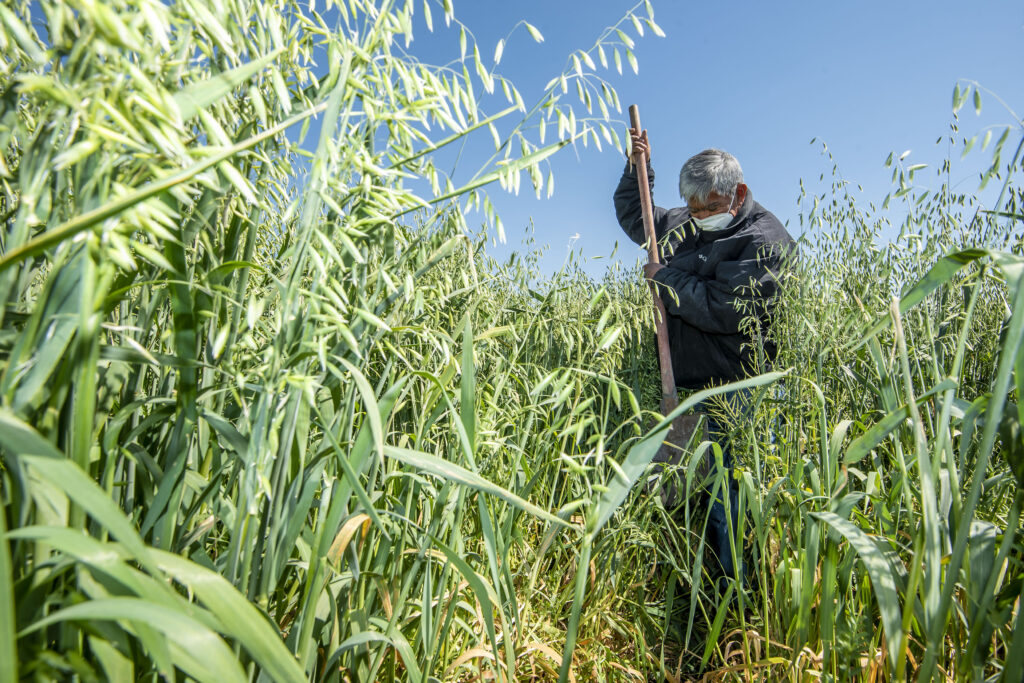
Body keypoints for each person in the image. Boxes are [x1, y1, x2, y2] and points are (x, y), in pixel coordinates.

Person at [613, 128, 795, 584]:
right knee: (681, 488)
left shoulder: (765, 241)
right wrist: (638, 168)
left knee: (731, 498)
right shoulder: (688, 223)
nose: (699, 217)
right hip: (688, 389)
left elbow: (727, 308)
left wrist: (666, 281)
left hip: (739, 391)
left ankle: (745, 597)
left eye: (710, 207)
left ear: (739, 194)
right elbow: (641, 219)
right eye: (692, 209)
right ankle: (691, 584)